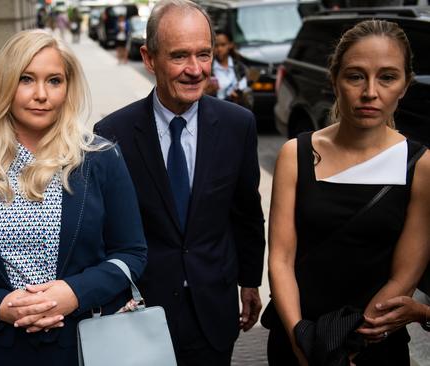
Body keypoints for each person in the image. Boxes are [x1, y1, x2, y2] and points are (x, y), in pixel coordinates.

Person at [0, 29, 147, 365]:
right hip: (1, 348)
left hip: (88, 342)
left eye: (54, 81)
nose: (42, 94)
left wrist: (74, 293)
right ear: (5, 83)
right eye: (27, 79)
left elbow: (131, 252)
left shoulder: (98, 157)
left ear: (68, 88)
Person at [94, 0, 266, 364]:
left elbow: (247, 212)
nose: (195, 70)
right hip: (140, 313)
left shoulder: (238, 125)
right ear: (149, 57)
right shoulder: (112, 134)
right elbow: (105, 233)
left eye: (204, 55)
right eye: (179, 56)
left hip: (214, 310)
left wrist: (250, 281)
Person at [266, 19, 430, 365]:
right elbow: (280, 259)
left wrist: (348, 346)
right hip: (297, 337)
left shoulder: (420, 164)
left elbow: (405, 275)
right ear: (334, 79)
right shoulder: (295, 155)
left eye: (387, 77)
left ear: (405, 85)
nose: (370, 91)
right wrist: (302, 340)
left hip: (374, 344)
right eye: (355, 76)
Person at [206, 30, 252, 109]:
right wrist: (207, 92)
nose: (219, 49)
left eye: (223, 45)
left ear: (230, 45)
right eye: (216, 45)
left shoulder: (240, 68)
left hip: (238, 111)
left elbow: (248, 94)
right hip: (217, 111)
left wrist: (241, 95)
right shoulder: (208, 68)